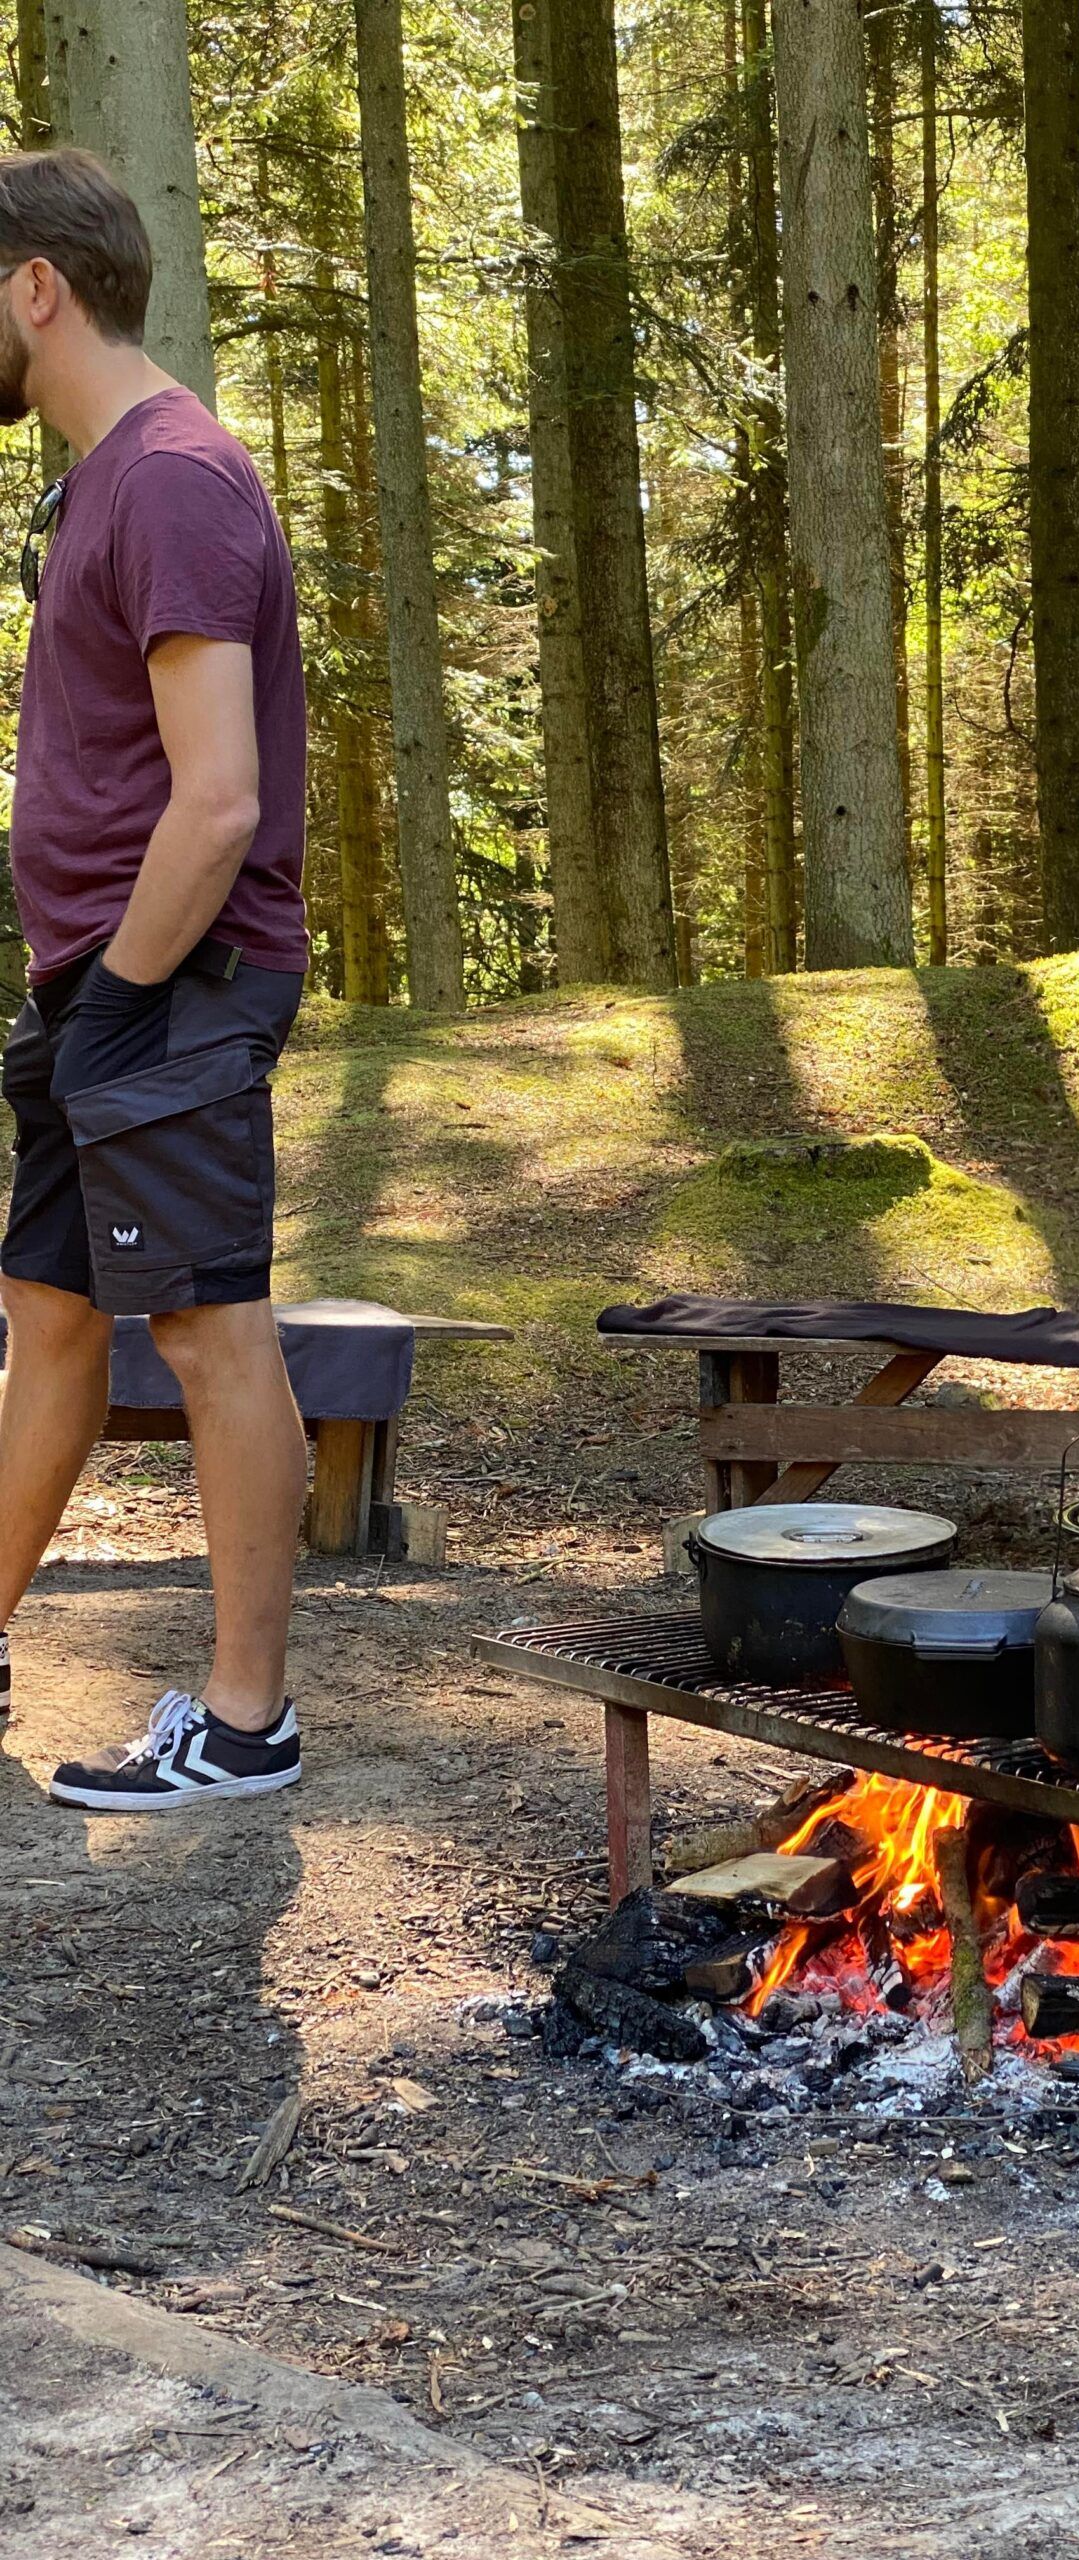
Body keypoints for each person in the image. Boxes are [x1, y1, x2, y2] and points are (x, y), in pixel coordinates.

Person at [0, 149, 310, 1810]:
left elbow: (220, 798)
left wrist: (115, 995)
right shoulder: (106, 480)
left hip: (177, 981)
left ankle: (246, 1721)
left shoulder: (174, 477)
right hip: (108, 983)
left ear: (35, 285)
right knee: (47, 1312)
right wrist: (71, 999)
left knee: (205, 1324)